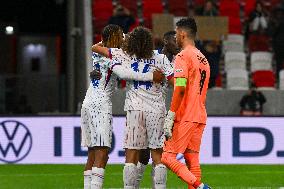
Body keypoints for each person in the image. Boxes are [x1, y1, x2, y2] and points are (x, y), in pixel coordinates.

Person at [81, 24, 163, 189]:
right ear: (113, 38)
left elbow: (97, 44)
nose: (123, 38)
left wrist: (118, 36)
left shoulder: (98, 50)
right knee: (102, 153)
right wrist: (151, 76)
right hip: (100, 104)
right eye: (120, 35)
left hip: (87, 102)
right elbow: (125, 74)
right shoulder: (113, 56)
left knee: (92, 152)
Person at [161, 18, 211, 189]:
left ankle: (200, 187)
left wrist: (171, 115)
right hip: (200, 115)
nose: (175, 37)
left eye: (176, 33)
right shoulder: (203, 58)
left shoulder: (183, 56)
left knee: (167, 157)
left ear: (182, 34)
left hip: (186, 115)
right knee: (192, 159)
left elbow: (180, 88)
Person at [135, 31, 179, 188]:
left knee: (157, 153)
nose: (178, 44)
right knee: (143, 154)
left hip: (158, 109)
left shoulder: (177, 63)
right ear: (166, 41)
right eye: (175, 40)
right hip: (140, 108)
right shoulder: (152, 56)